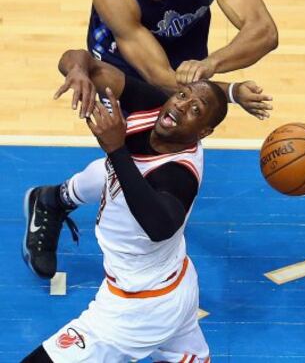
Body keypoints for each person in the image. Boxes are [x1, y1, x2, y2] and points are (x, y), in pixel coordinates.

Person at [23, 0, 278, 279]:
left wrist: (213, 67)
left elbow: (265, 32)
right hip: (130, 66)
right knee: (140, 160)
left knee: (149, 160)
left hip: (189, 64)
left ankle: (53, 198)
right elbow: (159, 79)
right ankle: (57, 202)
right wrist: (227, 92)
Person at [22, 51, 229, 362]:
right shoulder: (153, 106)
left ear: (203, 132)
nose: (181, 105)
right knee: (112, 171)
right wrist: (79, 71)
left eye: (195, 109)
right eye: (183, 95)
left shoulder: (179, 175)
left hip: (138, 306)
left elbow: (159, 226)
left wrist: (117, 149)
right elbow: (78, 59)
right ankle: (53, 200)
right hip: (176, 280)